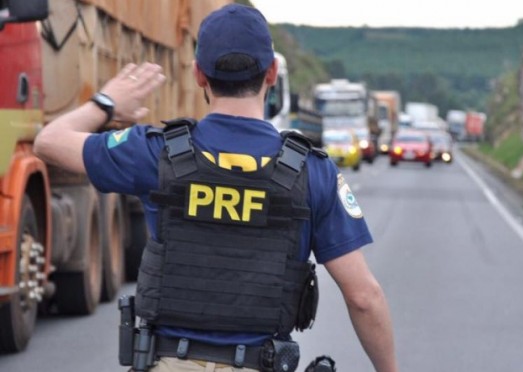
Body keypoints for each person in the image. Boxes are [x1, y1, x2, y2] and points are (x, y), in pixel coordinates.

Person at [34, 4, 398, 372]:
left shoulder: (156, 151)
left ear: (198, 75)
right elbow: (364, 297)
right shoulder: (311, 171)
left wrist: (107, 102)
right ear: (272, 72)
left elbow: (49, 142)